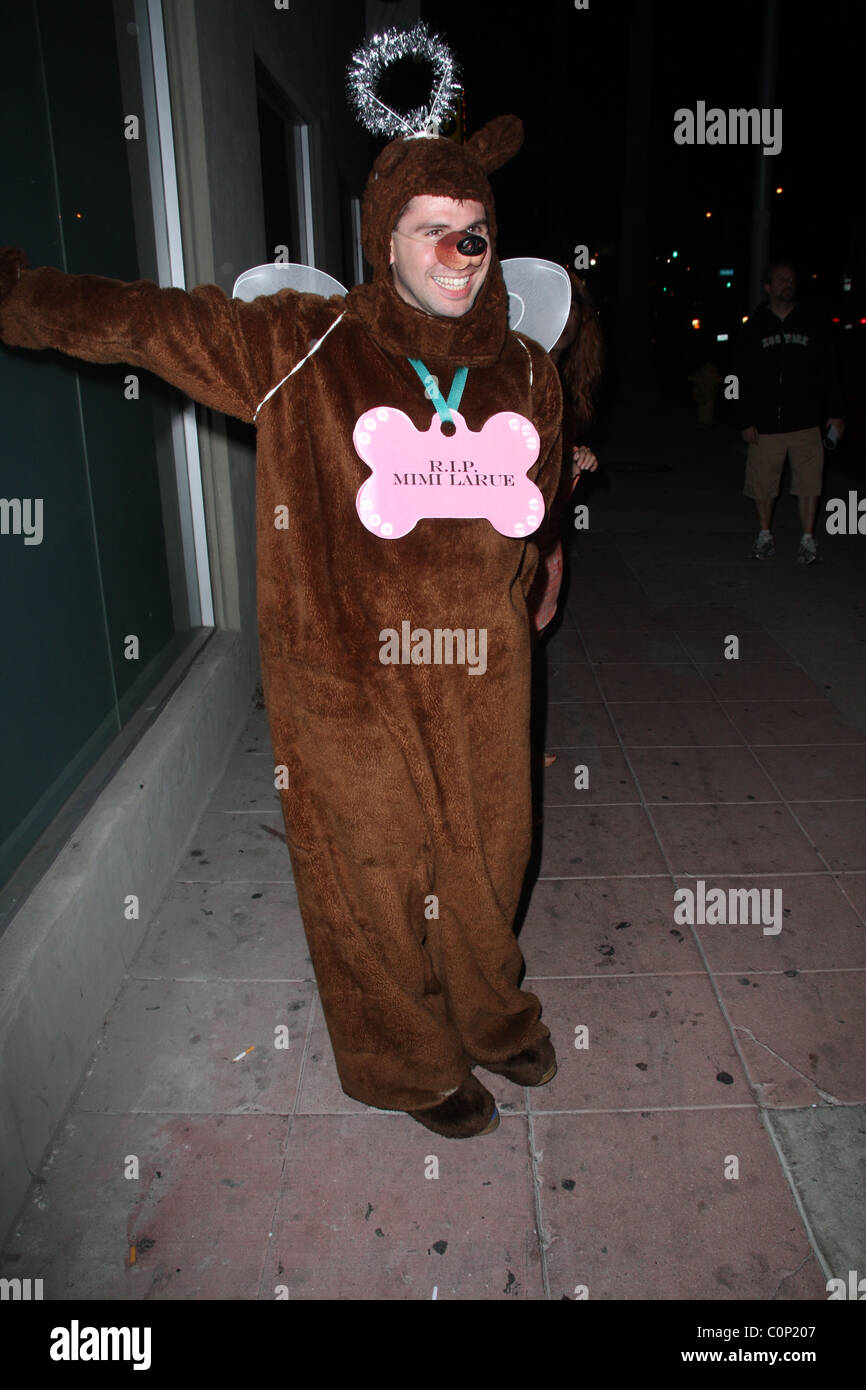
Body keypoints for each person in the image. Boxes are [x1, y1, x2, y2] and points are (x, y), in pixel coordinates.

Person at [0, 114, 563, 1141]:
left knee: (491, 852)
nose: (455, 252)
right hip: (346, 678)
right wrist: (20, 297)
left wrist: (544, 566)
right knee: (374, 869)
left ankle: (490, 1012)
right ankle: (405, 1062)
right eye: (428, 227)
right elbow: (144, 323)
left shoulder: (528, 369)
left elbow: (539, 495)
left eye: (472, 228)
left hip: (484, 670)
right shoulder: (303, 344)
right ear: (383, 239)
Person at [527, 269, 602, 767]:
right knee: (510, 641)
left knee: (530, 635)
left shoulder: (563, 378)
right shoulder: (520, 368)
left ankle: (520, 746)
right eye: (561, 301)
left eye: (577, 305)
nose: (569, 314)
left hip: (547, 526)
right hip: (508, 530)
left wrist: (574, 462)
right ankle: (511, 749)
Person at [736, 257, 845, 564]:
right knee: (763, 483)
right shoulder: (754, 327)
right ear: (768, 287)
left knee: (810, 482)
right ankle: (765, 534)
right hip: (766, 424)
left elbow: (829, 371)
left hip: (806, 421)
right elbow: (739, 376)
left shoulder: (812, 324)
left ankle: (808, 540)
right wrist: (745, 418)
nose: (788, 284)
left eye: (791, 279)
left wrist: (835, 412)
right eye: (781, 279)